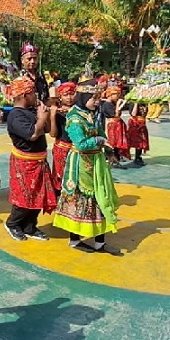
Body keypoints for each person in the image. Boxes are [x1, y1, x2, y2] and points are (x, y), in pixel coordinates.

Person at [52, 78, 122, 255]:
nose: (97, 101)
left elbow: (100, 132)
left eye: (98, 98)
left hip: (96, 162)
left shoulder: (93, 113)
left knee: (100, 198)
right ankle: (75, 240)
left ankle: (100, 243)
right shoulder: (74, 118)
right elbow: (81, 144)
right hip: (81, 165)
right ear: (83, 97)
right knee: (80, 200)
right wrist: (98, 141)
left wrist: (108, 151)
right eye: (94, 98)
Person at [4, 76, 56, 242]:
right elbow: (33, 134)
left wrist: (46, 115)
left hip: (39, 161)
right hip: (25, 163)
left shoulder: (32, 111)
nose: (36, 95)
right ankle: (13, 223)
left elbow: (46, 129)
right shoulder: (15, 116)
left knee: (39, 195)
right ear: (24, 95)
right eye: (33, 92)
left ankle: (30, 227)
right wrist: (41, 118)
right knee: (24, 197)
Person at [50, 82, 77, 197]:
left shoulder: (79, 111)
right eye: (66, 95)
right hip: (62, 148)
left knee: (75, 175)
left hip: (76, 149)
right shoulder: (58, 111)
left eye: (71, 94)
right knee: (60, 175)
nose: (69, 98)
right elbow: (53, 133)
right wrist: (52, 116)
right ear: (60, 96)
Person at [101, 86, 130, 168]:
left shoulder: (111, 103)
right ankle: (113, 160)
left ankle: (116, 159)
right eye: (116, 94)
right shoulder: (107, 105)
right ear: (111, 95)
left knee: (117, 143)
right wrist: (118, 105)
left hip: (117, 125)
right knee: (112, 143)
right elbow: (115, 115)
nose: (118, 97)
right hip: (112, 126)